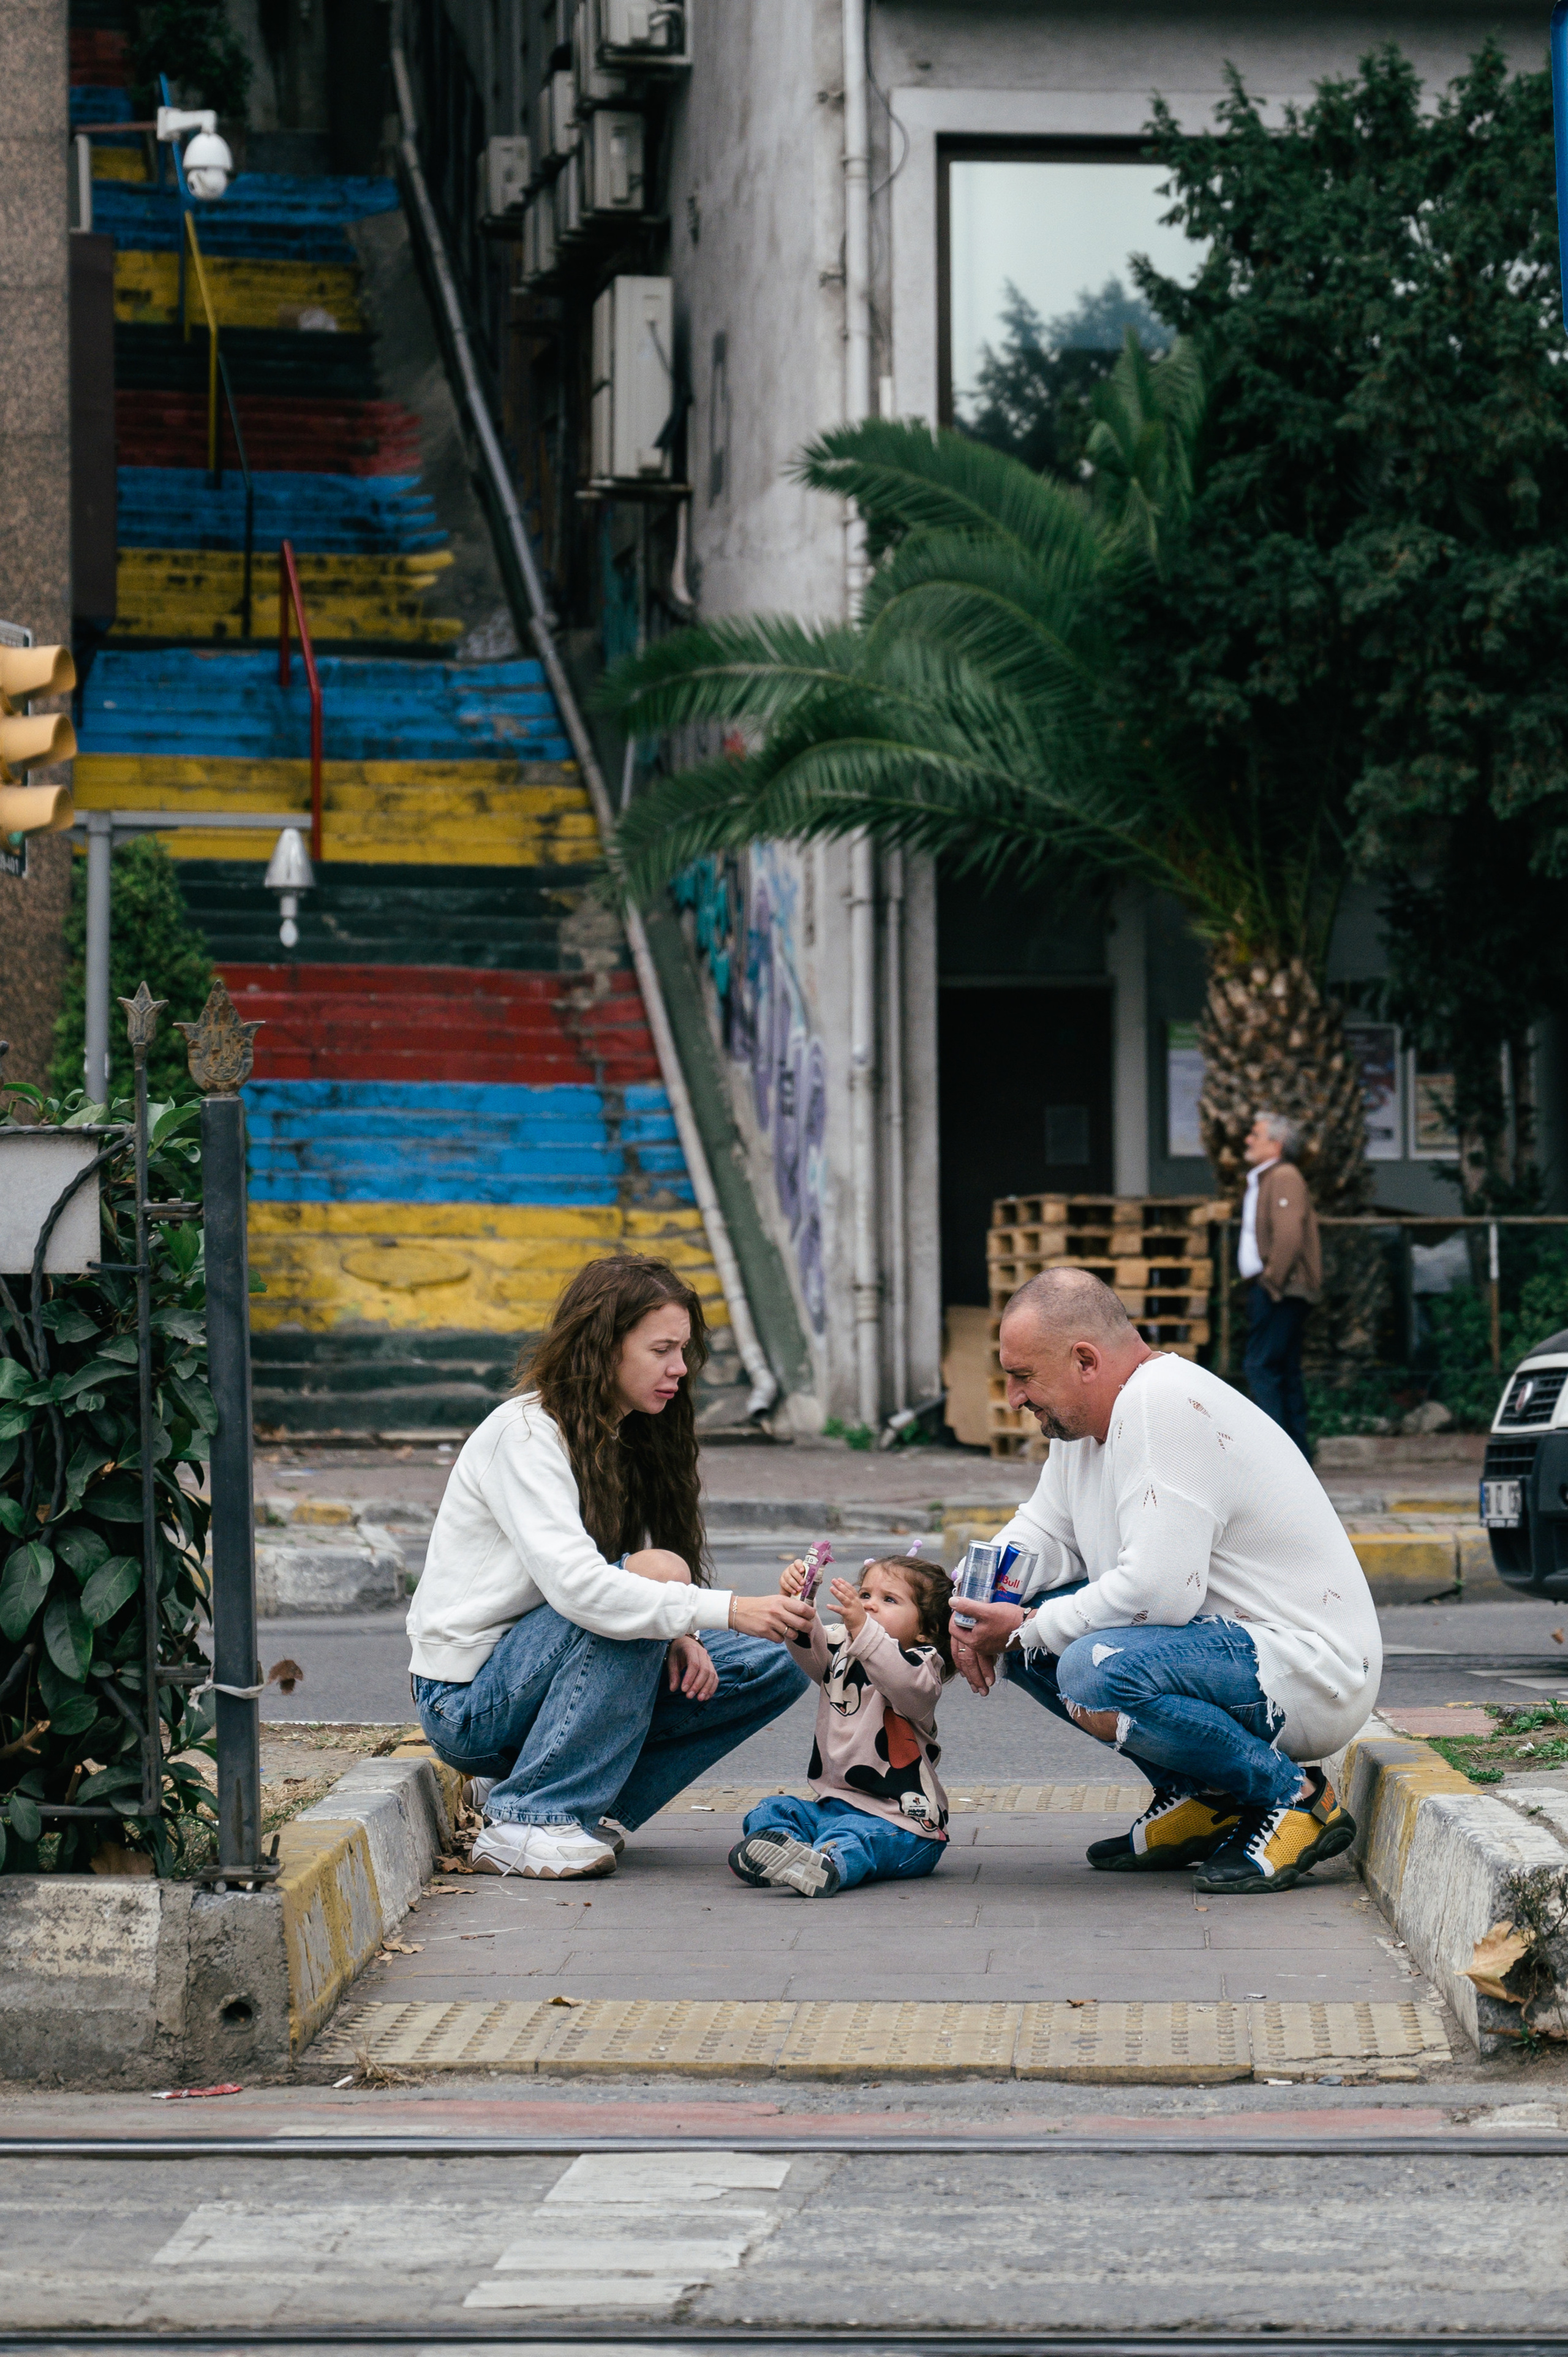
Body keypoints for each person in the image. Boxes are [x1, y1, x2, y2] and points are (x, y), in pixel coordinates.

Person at [950, 1267, 1381, 1896]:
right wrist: (971, 1599)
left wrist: (1027, 1627)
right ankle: (1207, 1800)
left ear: (1085, 1360)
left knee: (1089, 1666)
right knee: (1026, 1633)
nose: (1015, 1396)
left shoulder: (1162, 1404)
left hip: (1308, 1670)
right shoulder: (1083, 1427)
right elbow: (1043, 1530)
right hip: (1220, 1651)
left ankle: (1296, 1798)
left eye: (1023, 1376)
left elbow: (1158, 1591)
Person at [406, 1254, 812, 1880]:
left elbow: (607, 1591)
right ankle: (527, 1818)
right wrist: (728, 1609)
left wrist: (678, 1634)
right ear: (603, 1346)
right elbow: (584, 1590)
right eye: (661, 1349)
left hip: (538, 1673)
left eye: (683, 1349)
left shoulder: (624, 1434)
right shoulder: (525, 1434)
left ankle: (596, 1810)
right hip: (469, 1703)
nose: (679, 1367)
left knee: (776, 1661)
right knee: (654, 1576)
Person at [728, 1553, 954, 1898]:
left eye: (888, 1600)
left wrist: (864, 1628)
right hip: (834, 1807)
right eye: (865, 1595)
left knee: (854, 1837)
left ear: (926, 1630)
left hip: (904, 1825)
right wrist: (799, 1598)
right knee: (773, 1809)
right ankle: (782, 1854)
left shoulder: (922, 1667)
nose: (870, 1606)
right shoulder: (844, 1649)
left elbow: (900, 1680)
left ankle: (824, 1862)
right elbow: (810, 1647)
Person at [1238, 1109, 1321, 1457]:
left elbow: (1289, 1234)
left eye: (1255, 1135)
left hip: (1280, 1289)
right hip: (1279, 1288)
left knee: (1261, 1366)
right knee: (1284, 1370)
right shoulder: (1270, 1177)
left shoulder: (1284, 1176)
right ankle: (1296, 1456)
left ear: (1277, 1143)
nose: (1248, 1140)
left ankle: (1276, 1456)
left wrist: (1271, 1281)